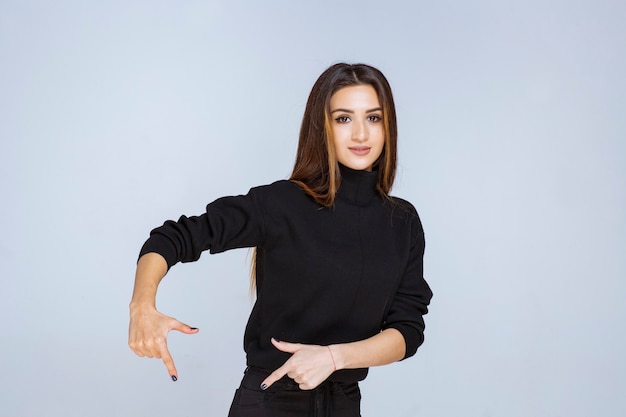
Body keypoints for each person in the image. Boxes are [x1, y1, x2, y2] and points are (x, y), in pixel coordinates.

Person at [128, 62, 433, 417]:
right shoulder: (281, 204)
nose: (361, 134)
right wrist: (141, 307)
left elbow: (407, 330)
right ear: (323, 127)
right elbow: (173, 237)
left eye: (374, 118)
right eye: (344, 119)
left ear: (388, 126)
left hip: (345, 405)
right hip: (271, 402)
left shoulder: (403, 222)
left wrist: (333, 358)